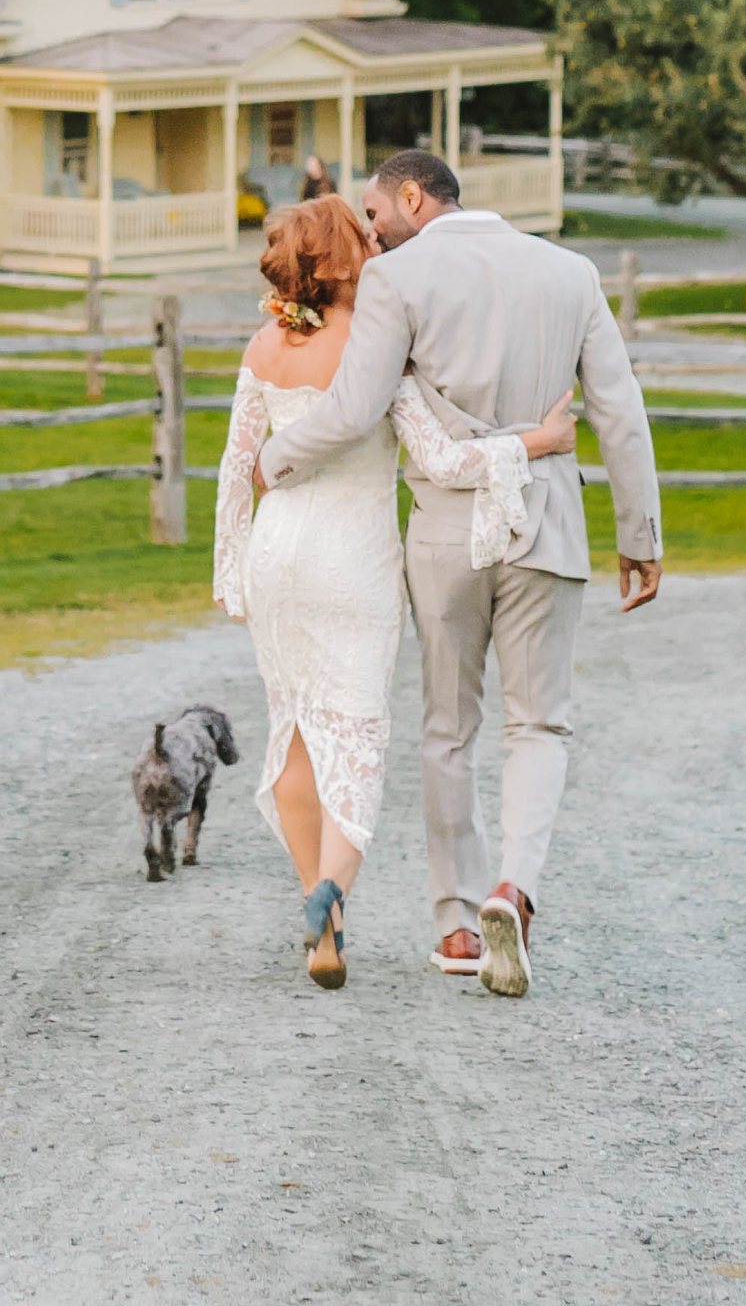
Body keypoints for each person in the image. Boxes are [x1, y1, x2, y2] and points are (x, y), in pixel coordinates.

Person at [253, 149, 661, 999]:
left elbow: (358, 408)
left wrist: (275, 456)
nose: (370, 232)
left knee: (448, 730)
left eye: (374, 213)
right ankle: (515, 885)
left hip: (445, 534)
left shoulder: (400, 281)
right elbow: (619, 409)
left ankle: (458, 925)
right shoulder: (571, 271)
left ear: (412, 196)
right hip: (545, 523)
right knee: (538, 725)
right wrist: (639, 534)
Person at [212, 197, 579, 990]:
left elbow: (238, 463)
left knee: (297, 733)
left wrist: (231, 566)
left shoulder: (263, 346)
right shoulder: (378, 353)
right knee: (359, 734)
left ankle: (322, 916)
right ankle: (333, 889)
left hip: (278, 556)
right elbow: (445, 460)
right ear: (348, 257)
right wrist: (537, 442)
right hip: (351, 563)